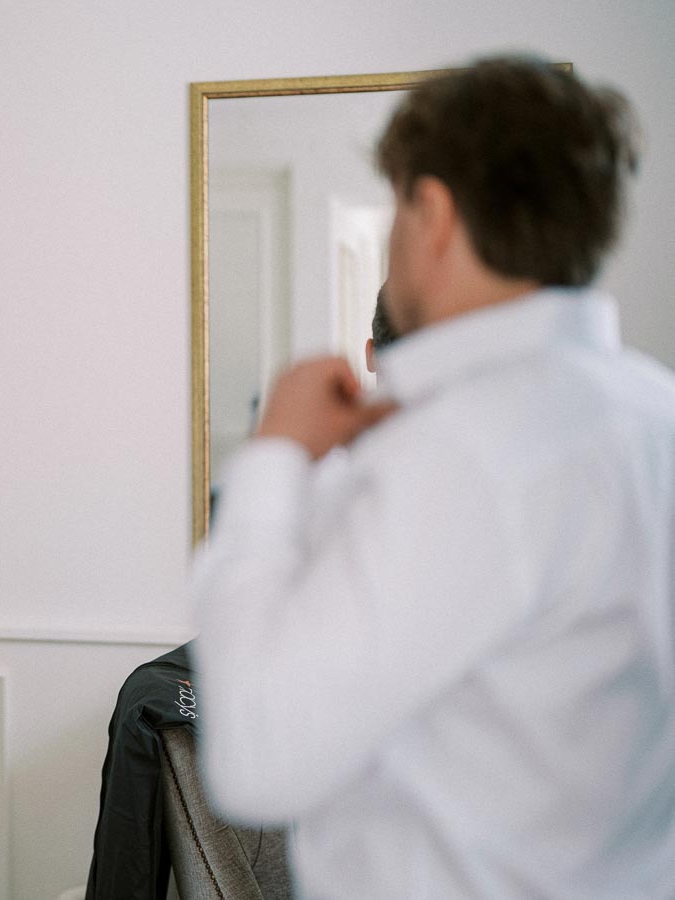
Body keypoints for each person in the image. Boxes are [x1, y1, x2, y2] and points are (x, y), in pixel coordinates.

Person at [190, 56, 675, 898]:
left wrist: (273, 460)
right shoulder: (653, 413)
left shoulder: (466, 453)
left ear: (435, 214)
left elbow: (255, 757)